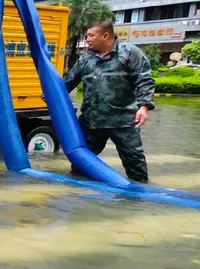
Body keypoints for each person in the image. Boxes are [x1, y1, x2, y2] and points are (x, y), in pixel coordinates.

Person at [64, 18, 155, 183]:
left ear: (105, 35)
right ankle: (79, 198)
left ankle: (139, 200)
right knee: (80, 165)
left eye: (91, 35)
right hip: (92, 122)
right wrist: (51, 94)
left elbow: (144, 80)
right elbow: (67, 83)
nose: (87, 39)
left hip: (124, 122)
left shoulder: (129, 53)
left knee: (135, 165)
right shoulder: (86, 59)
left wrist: (144, 106)